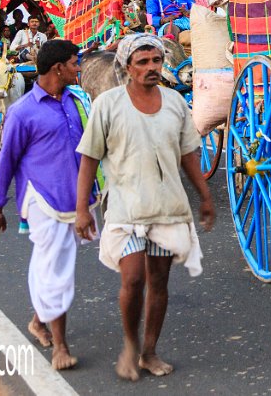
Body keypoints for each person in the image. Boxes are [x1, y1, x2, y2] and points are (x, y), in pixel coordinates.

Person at [74, 33, 215, 382]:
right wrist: (82, 209)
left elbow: (188, 154)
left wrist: (205, 195)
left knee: (160, 280)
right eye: (143, 62)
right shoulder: (107, 105)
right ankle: (130, 344)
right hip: (124, 206)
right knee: (133, 278)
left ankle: (150, 351)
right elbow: (89, 159)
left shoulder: (175, 104)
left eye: (156, 61)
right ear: (126, 66)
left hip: (167, 205)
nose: (152, 68)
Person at [0, 39, 90, 370]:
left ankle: (38, 321)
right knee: (56, 270)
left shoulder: (77, 102)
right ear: (58, 68)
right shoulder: (22, 111)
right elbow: (7, 161)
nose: (79, 68)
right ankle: (60, 345)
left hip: (75, 200)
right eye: (75, 63)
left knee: (51, 264)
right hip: (43, 199)